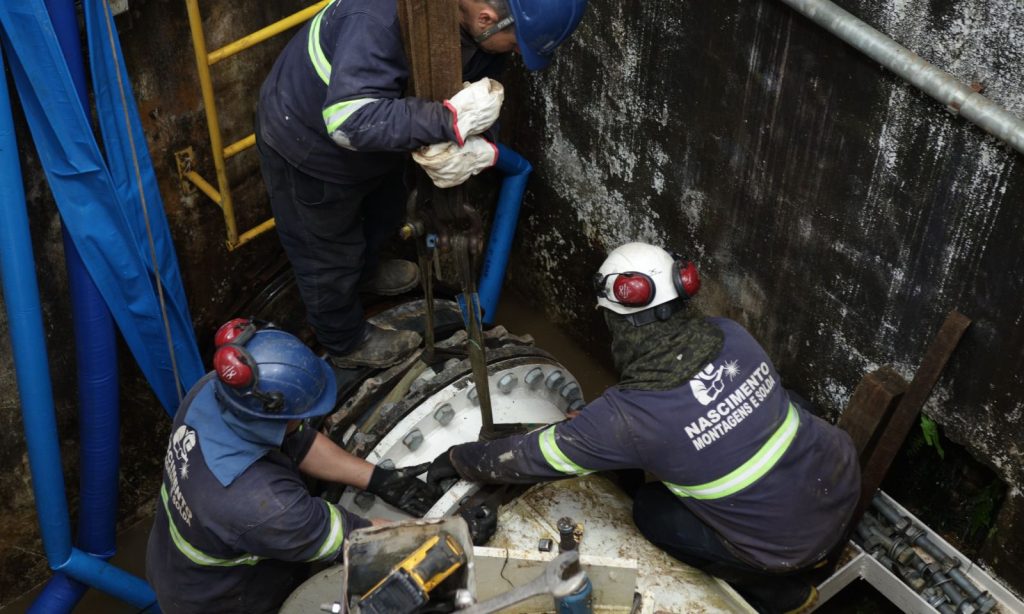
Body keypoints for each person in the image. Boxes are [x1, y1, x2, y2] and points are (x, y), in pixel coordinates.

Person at [425, 242, 862, 614]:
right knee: (785, 404)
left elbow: (527, 459)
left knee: (652, 510)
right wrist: (606, 432)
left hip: (788, 551)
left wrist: (458, 459)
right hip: (843, 482)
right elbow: (681, 415)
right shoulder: (731, 335)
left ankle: (781, 594)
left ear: (617, 322)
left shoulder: (626, 418)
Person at [256, 0, 589, 369]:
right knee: (327, 253)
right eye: (516, 45)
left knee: (383, 214)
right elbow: (350, 121)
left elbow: (475, 95)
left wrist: (477, 140)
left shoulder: (478, 29)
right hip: (310, 146)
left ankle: (365, 273)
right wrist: (446, 122)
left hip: (382, 144)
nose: (516, 55)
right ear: (488, 19)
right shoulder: (376, 19)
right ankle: (344, 340)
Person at [145, 318, 441, 613]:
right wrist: (449, 535)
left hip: (171, 560)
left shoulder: (211, 390)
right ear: (276, 417)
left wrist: (378, 479)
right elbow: (361, 540)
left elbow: (298, 441)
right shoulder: (268, 506)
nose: (305, 418)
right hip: (222, 600)